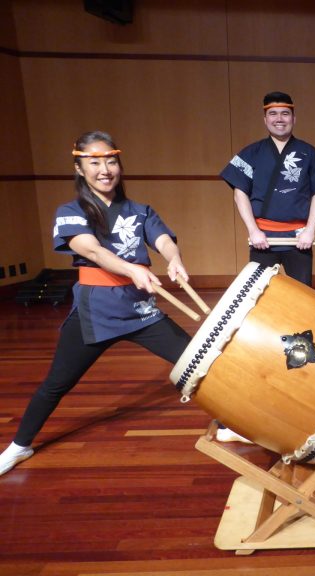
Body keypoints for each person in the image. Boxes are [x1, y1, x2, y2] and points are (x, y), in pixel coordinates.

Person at [0, 131, 193, 476]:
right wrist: (133, 268)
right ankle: (19, 446)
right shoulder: (70, 211)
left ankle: (228, 423)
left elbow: (163, 238)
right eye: (94, 161)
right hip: (96, 310)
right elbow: (91, 250)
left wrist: (174, 258)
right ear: (79, 167)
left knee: (196, 361)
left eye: (110, 160)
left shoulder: (139, 209)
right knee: (57, 382)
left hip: (140, 307)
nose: (105, 169)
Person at [220, 91, 315, 287]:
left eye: (285, 113)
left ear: (294, 118)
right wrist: (253, 230)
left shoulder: (308, 152)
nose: (279, 119)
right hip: (263, 236)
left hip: (299, 237)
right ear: (265, 119)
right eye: (273, 113)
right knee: (258, 296)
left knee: (303, 297)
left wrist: (310, 230)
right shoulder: (251, 152)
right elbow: (239, 193)